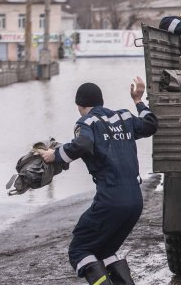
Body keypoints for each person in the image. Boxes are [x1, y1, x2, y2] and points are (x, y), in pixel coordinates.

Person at [41, 78, 159, 285]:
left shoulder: (86, 122)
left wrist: (56, 155)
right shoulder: (123, 116)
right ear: (101, 102)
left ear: (80, 105)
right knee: (105, 250)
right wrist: (139, 101)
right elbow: (150, 124)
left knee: (79, 249)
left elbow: (84, 143)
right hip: (135, 201)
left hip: (111, 200)